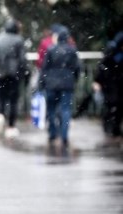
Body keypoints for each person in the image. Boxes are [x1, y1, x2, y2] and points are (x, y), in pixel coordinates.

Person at [39, 27, 81, 155]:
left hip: (51, 84)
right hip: (67, 84)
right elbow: (77, 68)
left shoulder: (51, 49)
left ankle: (52, 134)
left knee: (51, 110)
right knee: (66, 110)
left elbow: (44, 68)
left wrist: (42, 83)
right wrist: (74, 79)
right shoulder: (72, 50)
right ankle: (64, 135)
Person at [0, 19, 30, 138]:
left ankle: (0, 115)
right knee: (13, 101)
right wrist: (25, 73)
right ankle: (11, 127)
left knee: (1, 99)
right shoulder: (18, 40)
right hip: (13, 75)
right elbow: (22, 60)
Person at [93, 31, 123, 139]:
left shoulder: (115, 52)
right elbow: (103, 67)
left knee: (115, 107)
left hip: (114, 84)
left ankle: (114, 129)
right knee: (111, 106)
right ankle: (111, 128)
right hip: (111, 84)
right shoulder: (113, 53)